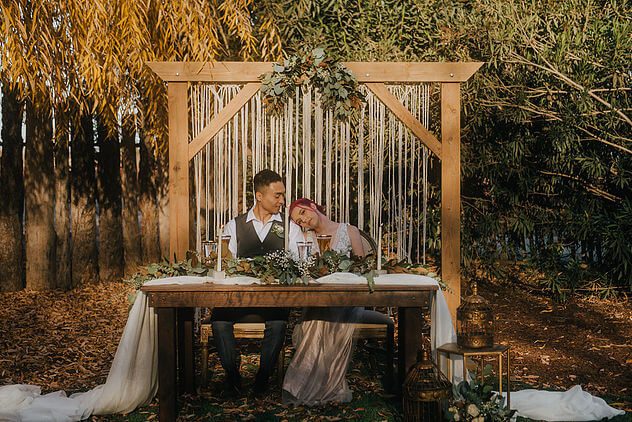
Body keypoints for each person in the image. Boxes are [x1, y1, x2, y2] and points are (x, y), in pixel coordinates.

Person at [282, 198, 394, 406]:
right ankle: (320, 385)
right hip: (318, 301)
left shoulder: (349, 231)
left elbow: (363, 269)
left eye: (303, 214)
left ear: (313, 207)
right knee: (316, 317)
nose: (304, 221)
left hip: (348, 300)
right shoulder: (306, 239)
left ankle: (325, 385)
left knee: (326, 319)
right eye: (299, 221)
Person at [210, 169, 299, 398]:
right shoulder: (235, 226)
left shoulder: (290, 228)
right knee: (219, 321)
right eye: (277, 195)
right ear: (259, 196)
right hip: (238, 298)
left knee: (279, 323)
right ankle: (233, 377)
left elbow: (302, 262)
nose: (282, 200)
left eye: (282, 195)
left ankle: (262, 378)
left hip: (274, 300)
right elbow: (223, 264)